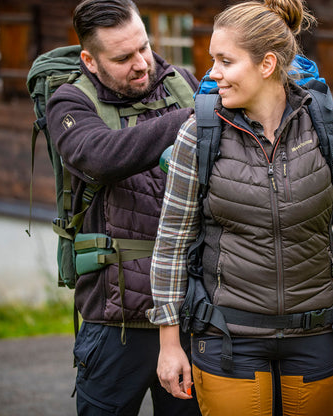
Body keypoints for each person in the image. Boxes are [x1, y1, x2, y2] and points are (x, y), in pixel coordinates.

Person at [146, 1, 333, 415]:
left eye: (225, 61)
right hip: (228, 336)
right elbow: (172, 241)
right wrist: (169, 343)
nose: (212, 73)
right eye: (213, 60)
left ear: (266, 64)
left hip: (317, 333)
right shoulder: (199, 133)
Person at [45, 0, 202, 415]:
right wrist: (195, 117)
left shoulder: (182, 83)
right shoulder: (69, 104)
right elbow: (102, 155)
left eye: (143, 48)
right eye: (122, 57)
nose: (140, 64)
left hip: (188, 312)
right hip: (114, 323)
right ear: (90, 61)